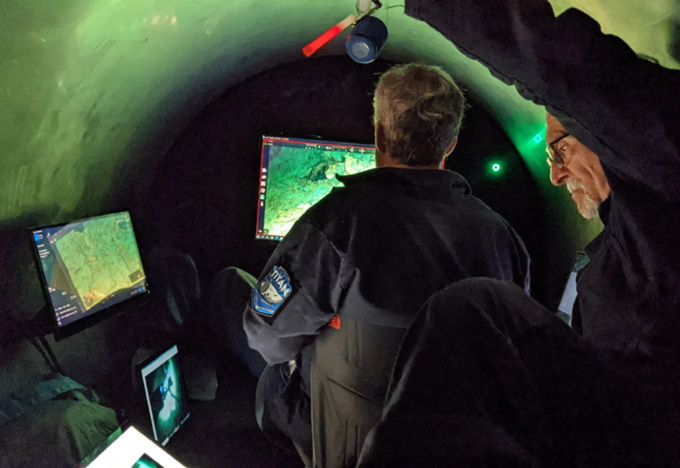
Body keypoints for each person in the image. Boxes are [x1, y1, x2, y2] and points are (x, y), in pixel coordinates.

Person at [358, 1, 680, 467]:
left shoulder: (658, 175)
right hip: (607, 421)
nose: (556, 175)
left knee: (472, 309)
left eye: (558, 150)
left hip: (642, 429)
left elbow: (569, 73)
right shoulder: (580, 246)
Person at [242, 63, 531, 466]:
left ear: (378, 133)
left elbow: (266, 338)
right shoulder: (504, 240)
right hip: (456, 443)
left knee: (247, 325)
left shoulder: (332, 228)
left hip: (349, 441)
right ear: (449, 145)